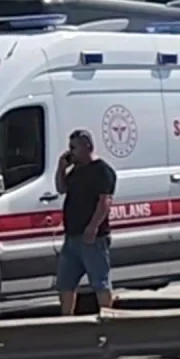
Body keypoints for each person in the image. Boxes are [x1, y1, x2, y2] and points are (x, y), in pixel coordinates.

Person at [55, 129, 117, 316]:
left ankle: (108, 318)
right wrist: (61, 168)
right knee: (65, 282)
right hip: (72, 236)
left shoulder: (102, 171)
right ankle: (67, 320)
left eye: (74, 147)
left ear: (87, 147)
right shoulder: (76, 171)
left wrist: (93, 226)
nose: (70, 152)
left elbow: (104, 201)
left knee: (100, 282)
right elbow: (61, 188)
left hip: (93, 238)